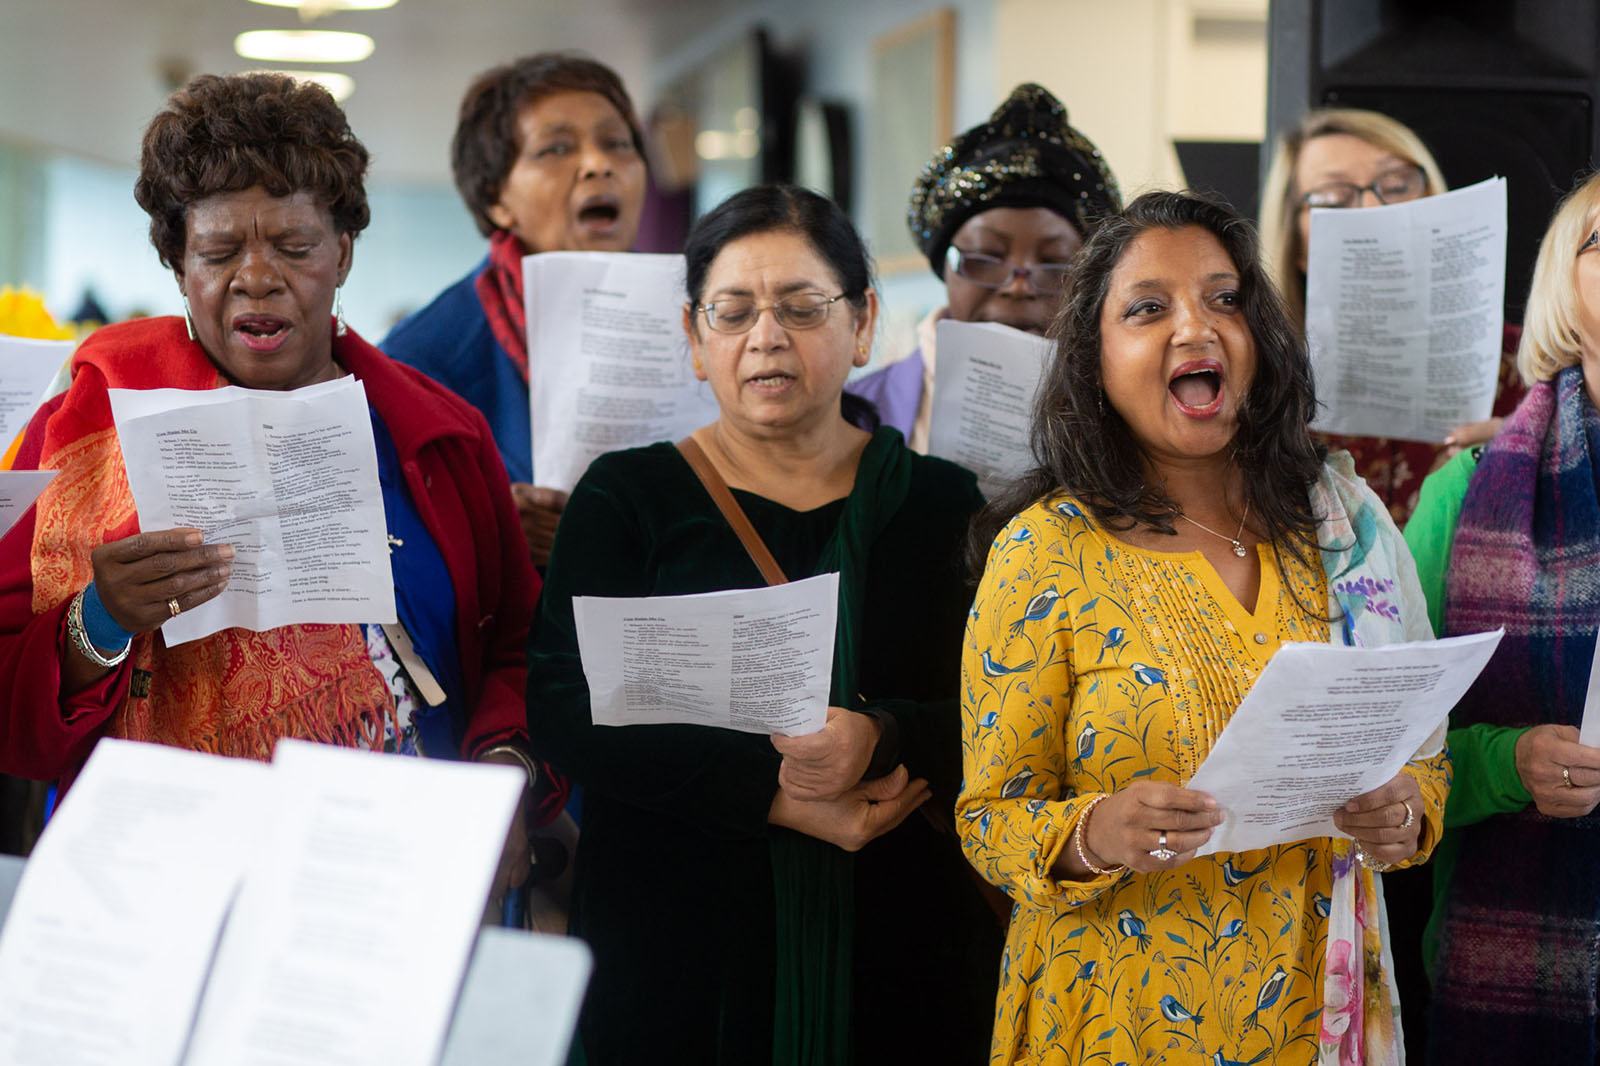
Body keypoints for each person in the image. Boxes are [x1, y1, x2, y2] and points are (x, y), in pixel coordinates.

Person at [0, 73, 560, 898]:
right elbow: (11, 703)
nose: (257, 278)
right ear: (178, 266)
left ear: (343, 252)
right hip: (164, 886)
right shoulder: (86, 433)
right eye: (220, 252)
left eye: (294, 248)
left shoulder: (437, 433)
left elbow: (519, 642)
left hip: (406, 876)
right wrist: (100, 619)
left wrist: (507, 772)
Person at [958, 190, 1449, 1066]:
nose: (1197, 327)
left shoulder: (1342, 527)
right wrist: (1094, 832)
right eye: (1149, 309)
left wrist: (1408, 812)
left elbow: (1422, 753)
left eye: (1225, 299)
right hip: (1116, 1018)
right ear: (1096, 359)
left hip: (1317, 1011)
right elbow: (989, 820)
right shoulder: (1044, 553)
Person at [527, 184, 1004, 1065]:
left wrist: (880, 733)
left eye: (802, 307)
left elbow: (994, 709)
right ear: (694, 337)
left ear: (862, 325)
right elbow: (563, 706)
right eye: (733, 311)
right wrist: (776, 799)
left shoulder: (941, 506)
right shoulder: (627, 498)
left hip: (899, 945)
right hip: (679, 948)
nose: (767, 336)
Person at [1408, 170, 1600, 1063]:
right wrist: (1510, 762)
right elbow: (1389, 738)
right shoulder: (1461, 493)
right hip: (1511, 956)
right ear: (1563, 284)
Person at [382, 52, 648, 566]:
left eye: (618, 142)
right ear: (496, 198)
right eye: (556, 149)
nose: (600, 163)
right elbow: (385, 531)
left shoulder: (705, 315)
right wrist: (488, 522)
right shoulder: (418, 359)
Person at [1259, 107, 1524, 524]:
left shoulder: (1529, 363)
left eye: (1397, 185)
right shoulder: (1262, 383)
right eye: (1333, 198)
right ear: (1296, 245)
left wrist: (1527, 462)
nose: (1372, 209)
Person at [846, 83, 1121, 451]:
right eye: (985, 258)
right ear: (945, 266)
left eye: (1054, 264)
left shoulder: (1122, 415)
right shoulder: (854, 416)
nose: (1018, 286)